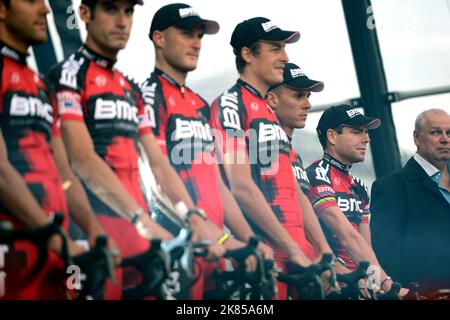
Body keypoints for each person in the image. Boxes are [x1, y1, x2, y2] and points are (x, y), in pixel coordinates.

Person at [47, 0, 224, 299]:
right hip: (93, 236)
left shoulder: (130, 89)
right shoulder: (67, 75)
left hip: (139, 236)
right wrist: (141, 220)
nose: (121, 21)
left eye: (128, 12)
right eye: (111, 9)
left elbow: (157, 163)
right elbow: (82, 160)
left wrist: (193, 217)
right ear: (85, 14)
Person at [141, 3, 273, 300]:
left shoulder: (200, 105)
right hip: (175, 247)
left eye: (200, 36)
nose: (196, 43)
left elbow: (216, 184)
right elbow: (154, 180)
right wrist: (207, 232)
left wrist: (246, 240)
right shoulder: (149, 96)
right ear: (159, 39)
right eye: (187, 34)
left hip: (212, 248)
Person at [0, 0, 119, 299]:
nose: (46, 9)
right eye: (31, 1)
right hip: (14, 254)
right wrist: (55, 237)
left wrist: (94, 229)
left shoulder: (41, 85)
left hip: (59, 253)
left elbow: (64, 172)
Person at [209, 17, 334, 299]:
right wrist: (291, 249)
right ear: (248, 54)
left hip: (297, 251)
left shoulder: (268, 113)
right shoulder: (230, 104)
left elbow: (294, 190)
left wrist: (322, 249)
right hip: (267, 254)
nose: (285, 57)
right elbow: (239, 187)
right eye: (275, 49)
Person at [306, 104, 407, 294]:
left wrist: (376, 284)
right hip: (329, 286)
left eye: (366, 133)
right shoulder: (316, 175)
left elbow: (365, 247)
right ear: (332, 136)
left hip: (359, 286)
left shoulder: (360, 187)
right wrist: (387, 285)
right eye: (357, 132)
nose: (366, 138)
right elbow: (347, 237)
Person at [371, 108, 450, 293]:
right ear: (417, 138)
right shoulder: (391, 187)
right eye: (436, 132)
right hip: (419, 294)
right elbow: (385, 256)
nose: (445, 139)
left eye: (449, 133)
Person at [265, 62, 324, 196]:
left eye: (307, 96)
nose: (308, 105)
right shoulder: (258, 147)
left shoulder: (294, 156)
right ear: (272, 100)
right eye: (298, 96)